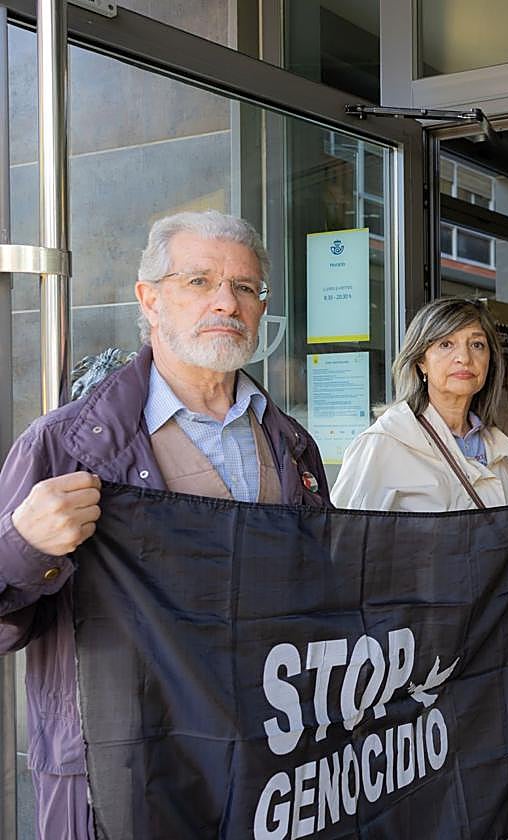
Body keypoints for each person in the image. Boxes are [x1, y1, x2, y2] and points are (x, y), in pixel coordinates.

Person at [0, 210, 331, 839]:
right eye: (199, 281)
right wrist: (23, 546)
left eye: (245, 287)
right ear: (149, 299)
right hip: (119, 773)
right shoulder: (64, 443)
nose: (225, 303)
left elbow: (325, 594)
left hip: (263, 760)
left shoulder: (291, 445)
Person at [331, 296, 508, 546]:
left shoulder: (503, 452)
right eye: (446, 344)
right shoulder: (383, 444)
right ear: (420, 361)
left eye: (477, 345)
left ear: (491, 359)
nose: (464, 358)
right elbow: (344, 552)